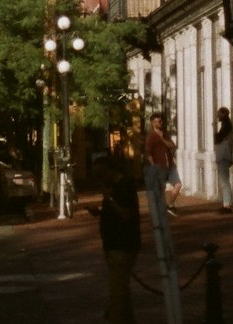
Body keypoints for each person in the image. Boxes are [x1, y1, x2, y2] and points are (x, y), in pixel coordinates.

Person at [95, 152, 141, 324]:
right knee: (122, 291)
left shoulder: (123, 187)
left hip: (122, 245)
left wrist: (110, 198)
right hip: (112, 244)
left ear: (109, 171)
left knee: (118, 292)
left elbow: (125, 214)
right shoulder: (113, 186)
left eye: (101, 174)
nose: (100, 179)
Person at [143, 113, 177, 221]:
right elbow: (148, 153)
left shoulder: (164, 134)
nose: (161, 123)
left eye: (161, 121)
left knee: (178, 185)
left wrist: (163, 139)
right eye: (159, 121)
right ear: (153, 123)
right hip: (159, 166)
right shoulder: (151, 136)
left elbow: (172, 146)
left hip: (170, 165)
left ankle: (170, 205)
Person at [213, 106, 233, 212]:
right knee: (224, 181)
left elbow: (217, 139)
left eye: (219, 114)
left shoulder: (226, 125)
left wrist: (214, 129)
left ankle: (227, 205)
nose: (218, 116)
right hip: (224, 155)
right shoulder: (226, 124)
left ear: (224, 114)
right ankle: (226, 203)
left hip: (224, 155)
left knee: (224, 181)